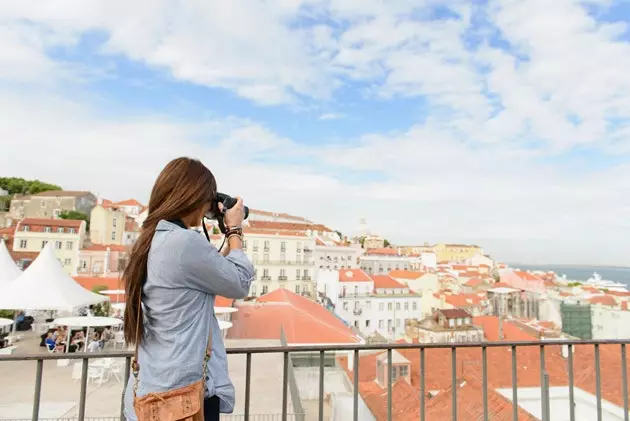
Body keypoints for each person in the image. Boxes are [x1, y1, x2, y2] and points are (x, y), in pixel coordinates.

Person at [122, 157, 254, 421]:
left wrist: (226, 240)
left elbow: (206, 270)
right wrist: (236, 229)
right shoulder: (183, 243)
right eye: (207, 200)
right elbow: (239, 283)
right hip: (182, 400)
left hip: (147, 393)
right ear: (193, 198)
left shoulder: (152, 239)